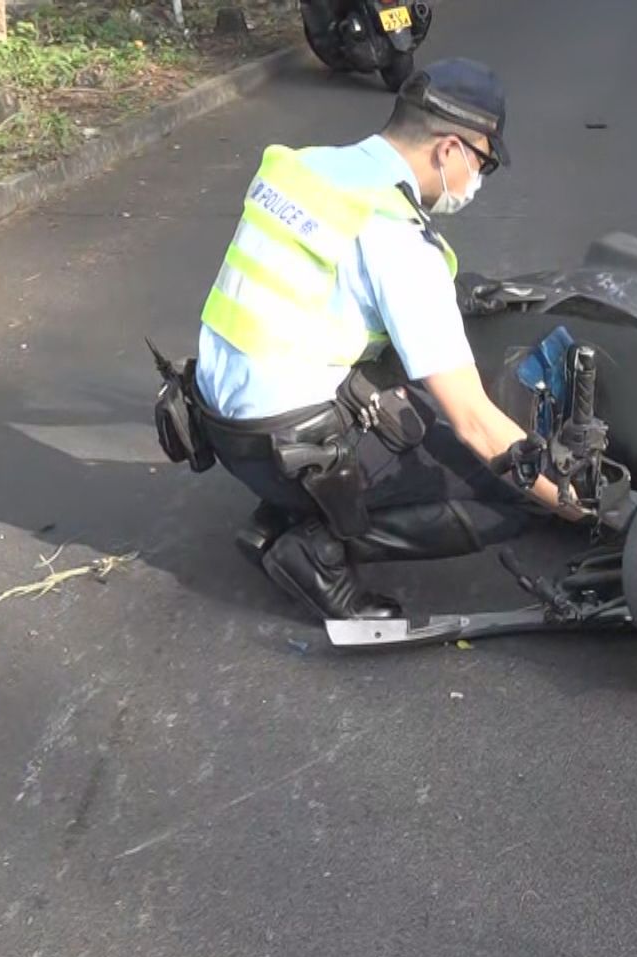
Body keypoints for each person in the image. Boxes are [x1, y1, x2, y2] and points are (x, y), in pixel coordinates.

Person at [189, 58, 572, 622]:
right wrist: (571, 504)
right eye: (483, 163)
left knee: (400, 380)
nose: (478, 181)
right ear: (449, 151)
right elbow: (475, 423)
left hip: (218, 426)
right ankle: (319, 549)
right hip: (286, 449)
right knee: (507, 493)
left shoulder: (302, 168)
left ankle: (281, 514)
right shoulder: (396, 238)